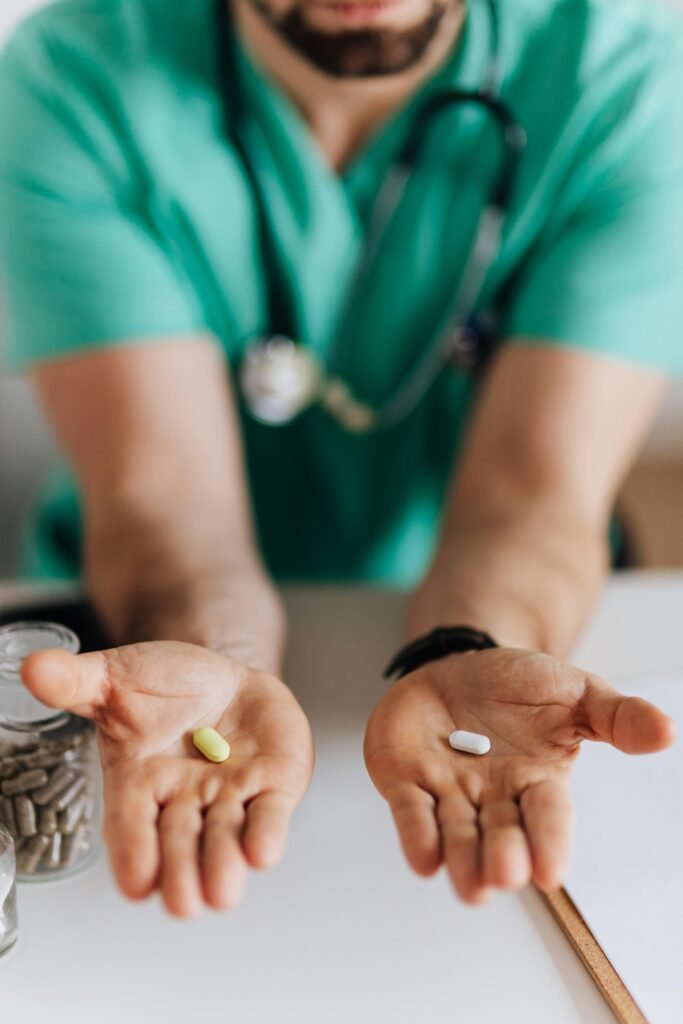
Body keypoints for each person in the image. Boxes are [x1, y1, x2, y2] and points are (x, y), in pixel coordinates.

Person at [0, 0, 681, 918]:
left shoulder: (627, 88)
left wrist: (464, 642)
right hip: (153, 661)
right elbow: (163, 500)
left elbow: (534, 491)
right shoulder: (73, 79)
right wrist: (217, 656)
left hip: (482, 629)